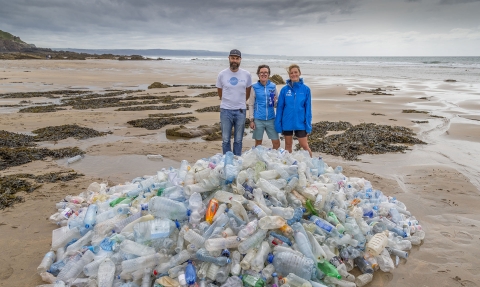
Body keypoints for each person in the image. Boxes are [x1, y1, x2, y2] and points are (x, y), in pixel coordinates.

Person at [216, 49, 252, 155]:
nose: (234, 60)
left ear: (240, 60)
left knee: (238, 140)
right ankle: (228, 160)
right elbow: (220, 92)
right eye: (232, 58)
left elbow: (248, 90)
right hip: (225, 110)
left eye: (237, 58)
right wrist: (229, 101)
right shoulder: (222, 74)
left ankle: (237, 160)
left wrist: (240, 101)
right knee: (226, 139)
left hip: (240, 111)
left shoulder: (246, 74)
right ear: (229, 58)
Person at [274, 64, 313, 157]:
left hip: (300, 123)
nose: (293, 74)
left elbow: (308, 108)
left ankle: (312, 164)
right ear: (289, 75)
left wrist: (308, 124)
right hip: (287, 122)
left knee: (304, 146)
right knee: (288, 146)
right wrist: (278, 124)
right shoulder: (284, 90)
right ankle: (289, 166)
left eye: (295, 72)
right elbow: (280, 108)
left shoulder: (306, 89)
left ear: (299, 73)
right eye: (291, 73)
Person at [248, 64, 280, 149]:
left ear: (269, 74)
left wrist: (275, 102)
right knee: (258, 143)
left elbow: (277, 104)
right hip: (258, 119)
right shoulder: (254, 87)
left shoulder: (273, 86)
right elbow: (251, 104)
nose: (263, 74)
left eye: (266, 72)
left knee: (276, 143)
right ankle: (259, 160)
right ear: (258, 74)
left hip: (271, 119)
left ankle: (274, 160)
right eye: (261, 72)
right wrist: (251, 120)